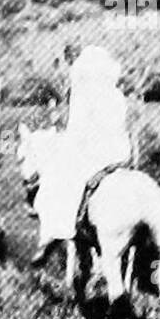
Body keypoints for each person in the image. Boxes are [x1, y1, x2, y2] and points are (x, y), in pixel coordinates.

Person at [30, 45, 133, 263]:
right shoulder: (117, 95)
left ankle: (53, 233)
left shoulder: (85, 95)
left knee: (55, 180)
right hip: (122, 153)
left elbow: (77, 132)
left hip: (97, 154)